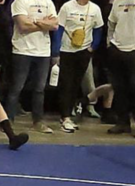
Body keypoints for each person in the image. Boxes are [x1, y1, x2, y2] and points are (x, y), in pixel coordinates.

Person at [5, 0, 58, 133]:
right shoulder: (19, 2)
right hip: (22, 50)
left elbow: (55, 25)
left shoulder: (48, 2)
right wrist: (44, 23)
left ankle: (38, 121)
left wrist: (34, 21)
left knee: (39, 89)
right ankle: (8, 121)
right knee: (16, 87)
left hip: (43, 52)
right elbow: (23, 25)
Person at [52, 0, 103, 133]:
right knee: (66, 84)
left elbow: (98, 29)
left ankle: (70, 114)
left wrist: (93, 47)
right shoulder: (67, 7)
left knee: (76, 84)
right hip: (66, 50)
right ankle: (65, 117)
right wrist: (56, 51)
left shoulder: (95, 9)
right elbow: (59, 29)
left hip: (84, 51)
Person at [105, 0, 135, 138]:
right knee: (119, 87)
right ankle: (122, 122)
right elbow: (111, 23)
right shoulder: (117, 2)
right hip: (117, 49)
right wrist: (110, 43)